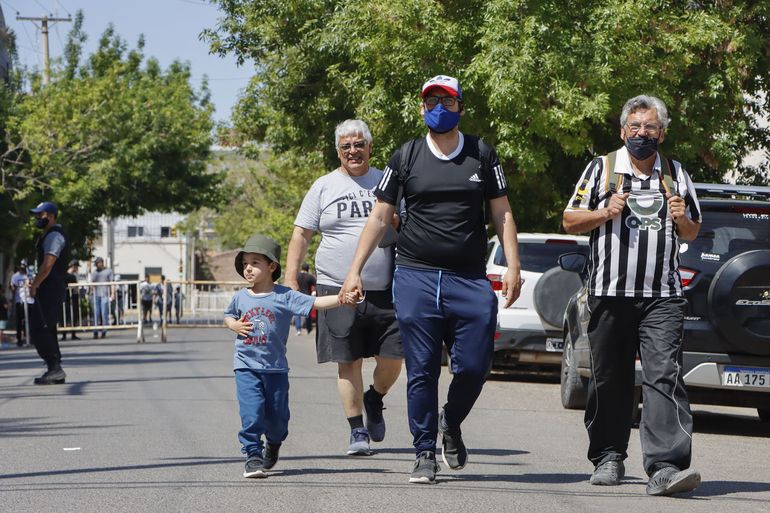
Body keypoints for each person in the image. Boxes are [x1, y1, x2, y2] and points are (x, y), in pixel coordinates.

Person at [340, 76, 522, 484]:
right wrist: (355, 270)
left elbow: (502, 212)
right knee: (421, 368)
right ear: (422, 109)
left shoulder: (482, 153)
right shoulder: (406, 156)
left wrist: (512, 264)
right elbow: (380, 216)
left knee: (474, 367)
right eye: (431, 100)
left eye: (447, 99)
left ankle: (450, 422)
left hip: (469, 279)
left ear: (460, 106)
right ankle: (423, 451)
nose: (438, 106)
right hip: (416, 276)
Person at [562, 95, 702, 496]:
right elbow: (570, 219)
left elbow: (693, 231)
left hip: (662, 296)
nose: (643, 134)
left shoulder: (675, 174)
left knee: (663, 376)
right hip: (609, 293)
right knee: (610, 378)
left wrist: (681, 218)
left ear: (662, 131)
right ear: (623, 131)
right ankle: (608, 456)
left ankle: (665, 466)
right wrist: (605, 212)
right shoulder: (602, 170)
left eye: (651, 127)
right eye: (636, 127)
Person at [285, 119, 404, 457]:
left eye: (359, 144)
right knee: (347, 362)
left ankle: (375, 397)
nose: (353, 150)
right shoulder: (323, 186)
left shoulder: (387, 182)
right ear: (338, 151)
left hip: (385, 290)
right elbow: (301, 234)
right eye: (346, 146)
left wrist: (399, 222)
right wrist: (292, 281)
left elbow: (407, 229)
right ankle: (357, 432)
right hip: (336, 289)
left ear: (369, 146)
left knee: (394, 358)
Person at [224, 233, 355, 478]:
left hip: (275, 369)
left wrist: (340, 299)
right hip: (246, 367)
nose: (248, 268)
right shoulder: (240, 297)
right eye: (244, 264)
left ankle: (274, 443)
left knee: (278, 419)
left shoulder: (284, 296)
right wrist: (233, 325)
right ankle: (252, 454)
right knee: (251, 413)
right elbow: (228, 315)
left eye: (255, 262)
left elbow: (315, 304)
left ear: (272, 266)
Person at [27, 201, 70, 385]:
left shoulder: (54, 236)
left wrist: (35, 284)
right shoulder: (49, 235)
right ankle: (54, 368)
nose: (37, 218)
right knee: (47, 327)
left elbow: (48, 264)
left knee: (40, 328)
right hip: (49, 286)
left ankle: (55, 368)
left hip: (50, 287)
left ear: (51, 216)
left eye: (41, 215)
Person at [90, 256, 114, 339]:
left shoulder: (108, 271)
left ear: (102, 263)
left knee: (104, 313)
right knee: (96, 314)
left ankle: (104, 331)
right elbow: (92, 283)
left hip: (105, 295)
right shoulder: (94, 273)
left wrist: (113, 293)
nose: (97, 265)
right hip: (96, 295)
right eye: (96, 263)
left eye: (98, 263)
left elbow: (112, 282)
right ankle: (95, 331)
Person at [293, 263, 316, 335]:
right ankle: (308, 329)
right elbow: (316, 284)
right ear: (308, 269)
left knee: (297, 314)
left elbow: (295, 285)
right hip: (307, 296)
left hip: (298, 295)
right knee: (307, 314)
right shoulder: (310, 277)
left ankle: (298, 329)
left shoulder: (297, 276)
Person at [61, 260, 81, 341]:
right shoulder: (72, 277)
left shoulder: (63, 275)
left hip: (65, 298)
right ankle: (72, 334)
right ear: (73, 266)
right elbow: (75, 288)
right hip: (70, 298)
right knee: (71, 316)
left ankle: (64, 335)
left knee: (65, 317)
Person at [10, 263, 29, 346]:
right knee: (19, 321)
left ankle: (27, 337)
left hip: (28, 300)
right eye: (21, 268)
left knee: (27, 320)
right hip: (19, 300)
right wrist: (14, 287)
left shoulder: (28, 275)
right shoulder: (15, 276)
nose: (22, 270)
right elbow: (12, 287)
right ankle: (19, 339)